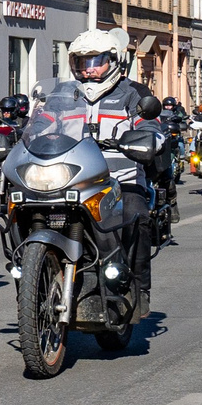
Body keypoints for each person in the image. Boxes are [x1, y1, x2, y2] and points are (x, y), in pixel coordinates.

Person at [64, 27, 162, 288]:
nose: (88, 69)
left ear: (114, 61)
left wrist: (150, 140)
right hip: (70, 180)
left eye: (95, 62)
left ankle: (138, 289)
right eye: (82, 62)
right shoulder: (63, 95)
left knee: (135, 215)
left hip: (119, 180)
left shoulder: (133, 93)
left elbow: (150, 127)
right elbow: (41, 125)